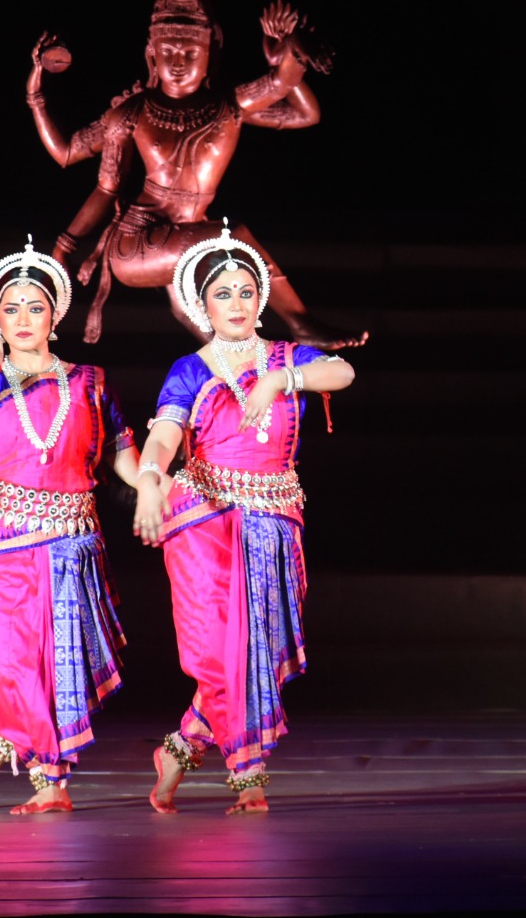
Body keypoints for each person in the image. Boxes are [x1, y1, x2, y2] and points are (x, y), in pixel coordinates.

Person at [24, 0, 366, 351]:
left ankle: (238, 370)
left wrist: (287, 49)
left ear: (211, 50)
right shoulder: (133, 112)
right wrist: (36, 96)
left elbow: (300, 108)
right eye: (167, 50)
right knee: (232, 237)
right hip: (137, 242)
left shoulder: (227, 106)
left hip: (188, 236)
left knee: (216, 337)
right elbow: (74, 159)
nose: (178, 61)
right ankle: (299, 322)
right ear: (151, 54)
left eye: (190, 50)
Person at [130, 221, 356, 814]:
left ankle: (181, 747)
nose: (236, 303)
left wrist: (284, 378)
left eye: (247, 291)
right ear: (201, 305)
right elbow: (165, 434)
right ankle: (249, 774)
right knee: (221, 651)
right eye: (222, 293)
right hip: (204, 521)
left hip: (274, 522)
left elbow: (344, 372)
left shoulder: (286, 357)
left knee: (261, 649)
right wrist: (150, 479)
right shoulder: (190, 369)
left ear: (260, 299)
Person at [0, 236, 139, 814]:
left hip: (70, 543)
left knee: (52, 666)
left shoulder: (91, 382)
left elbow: (123, 457)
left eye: (35, 307)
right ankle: (27, 764)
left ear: (55, 316)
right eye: (10, 309)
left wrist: (159, 485)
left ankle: (27, 767)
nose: (22, 319)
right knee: (6, 662)